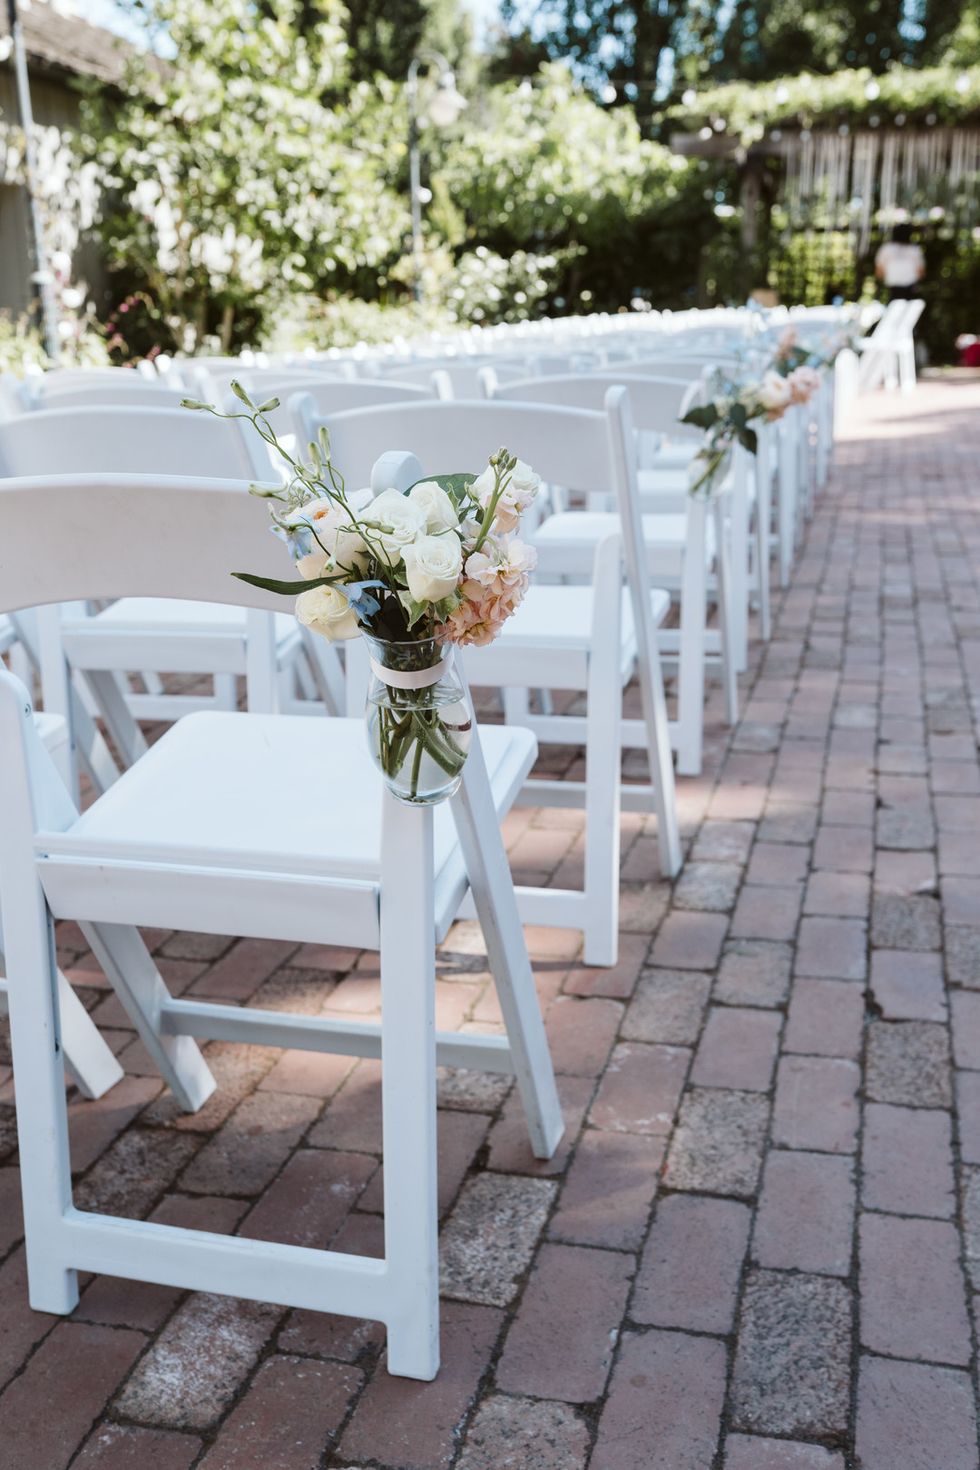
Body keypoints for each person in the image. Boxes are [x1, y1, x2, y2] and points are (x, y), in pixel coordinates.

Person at [875, 224, 925, 300]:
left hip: (894, 288)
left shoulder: (886, 249)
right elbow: (921, 273)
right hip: (909, 288)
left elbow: (879, 272)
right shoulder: (914, 250)